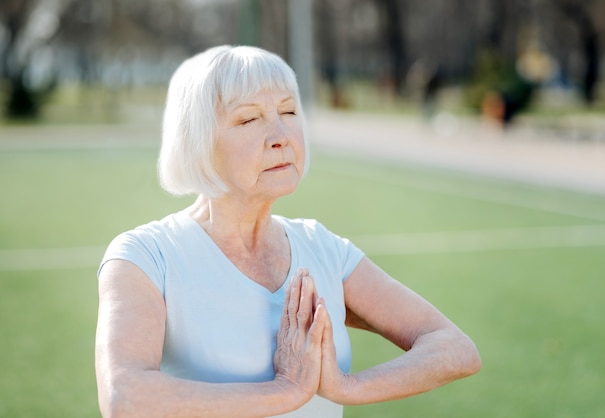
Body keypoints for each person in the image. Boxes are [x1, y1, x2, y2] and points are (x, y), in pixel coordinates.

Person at [95, 45, 481, 418]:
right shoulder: (145, 256)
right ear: (198, 141)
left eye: (289, 110)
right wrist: (286, 391)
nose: (280, 134)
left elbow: (455, 348)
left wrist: (347, 387)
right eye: (249, 119)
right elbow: (125, 398)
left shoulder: (324, 248)